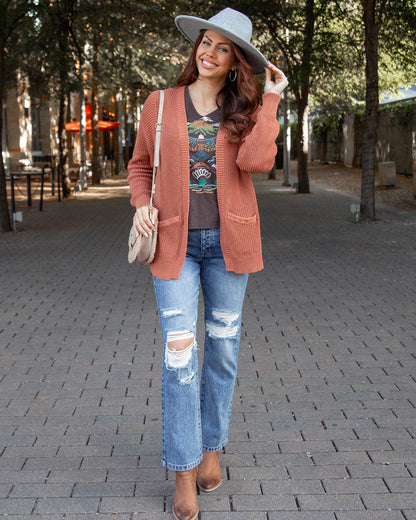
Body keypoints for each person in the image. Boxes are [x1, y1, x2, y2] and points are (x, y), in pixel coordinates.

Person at [128, 7, 288, 520]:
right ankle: (183, 469)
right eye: (205, 42)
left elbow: (257, 162)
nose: (209, 52)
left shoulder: (244, 108)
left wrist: (271, 96)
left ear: (235, 61)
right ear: (194, 48)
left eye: (223, 48)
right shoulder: (161, 103)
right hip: (174, 244)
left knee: (222, 351)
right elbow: (137, 165)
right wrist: (141, 203)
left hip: (229, 246)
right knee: (180, 357)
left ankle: (212, 446)